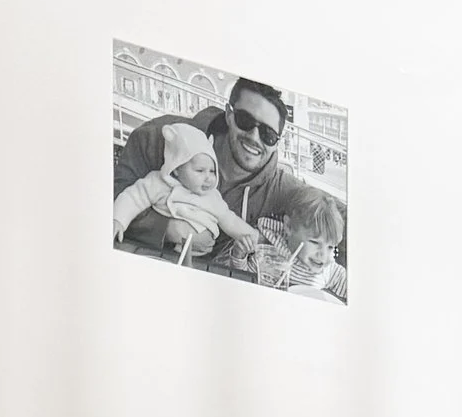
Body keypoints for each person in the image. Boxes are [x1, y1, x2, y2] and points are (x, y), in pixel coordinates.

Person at [111, 74, 341, 285]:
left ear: (277, 143)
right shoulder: (162, 138)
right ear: (229, 115)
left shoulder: (277, 186)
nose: (254, 137)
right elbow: (113, 193)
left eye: (268, 135)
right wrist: (167, 228)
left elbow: (332, 212)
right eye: (245, 120)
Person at [110, 121, 265, 269]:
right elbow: (133, 198)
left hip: (200, 259)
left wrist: (253, 236)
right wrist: (118, 220)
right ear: (176, 168)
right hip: (161, 249)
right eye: (200, 171)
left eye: (212, 171)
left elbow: (229, 220)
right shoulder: (159, 182)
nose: (208, 178)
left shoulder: (212, 197)